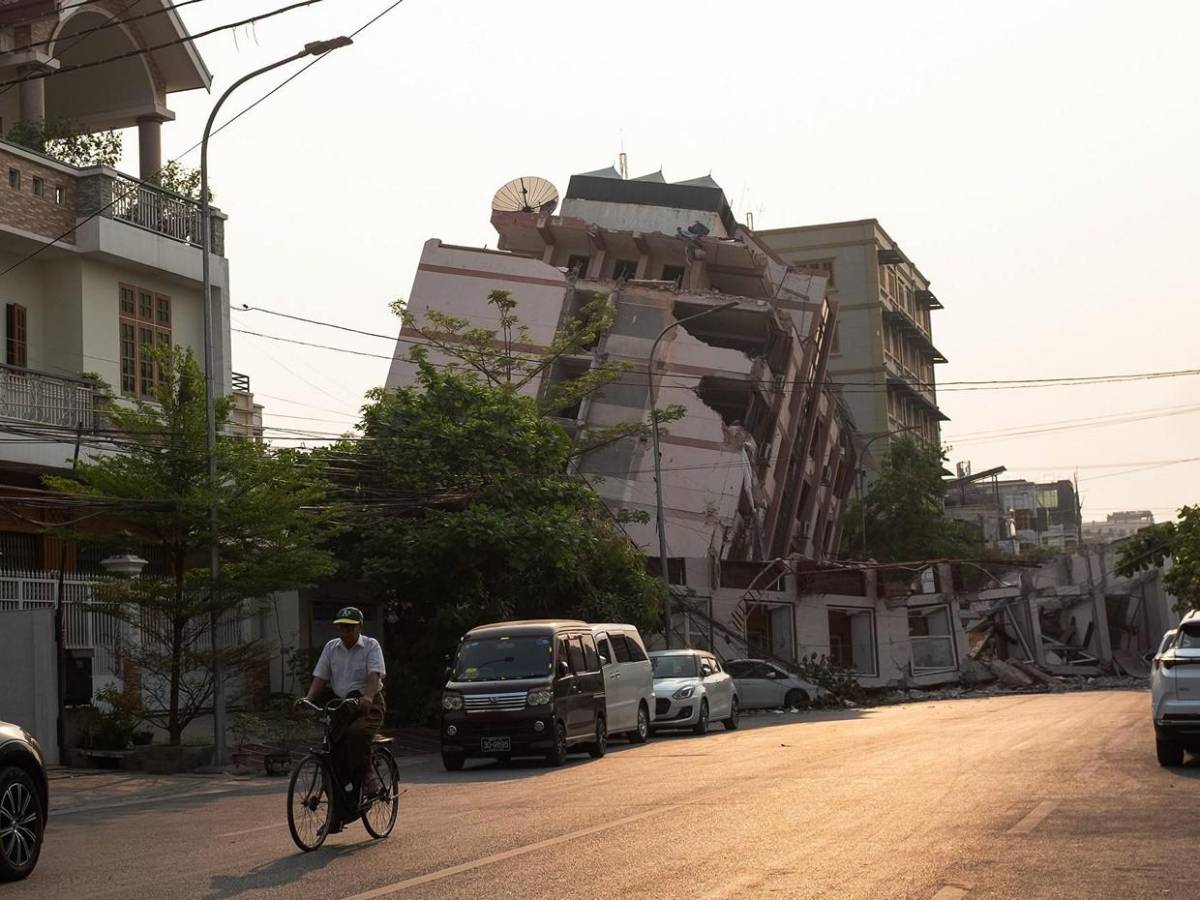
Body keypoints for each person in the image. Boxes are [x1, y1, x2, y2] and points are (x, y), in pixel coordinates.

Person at [296, 606, 386, 828]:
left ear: (359, 627)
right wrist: (308, 698)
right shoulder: (331, 648)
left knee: (356, 735)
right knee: (331, 750)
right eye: (341, 627)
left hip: (368, 703)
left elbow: (374, 675)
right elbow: (320, 677)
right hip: (343, 705)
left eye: (349, 628)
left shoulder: (371, 645)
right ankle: (338, 812)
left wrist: (368, 696)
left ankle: (369, 778)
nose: (344, 631)